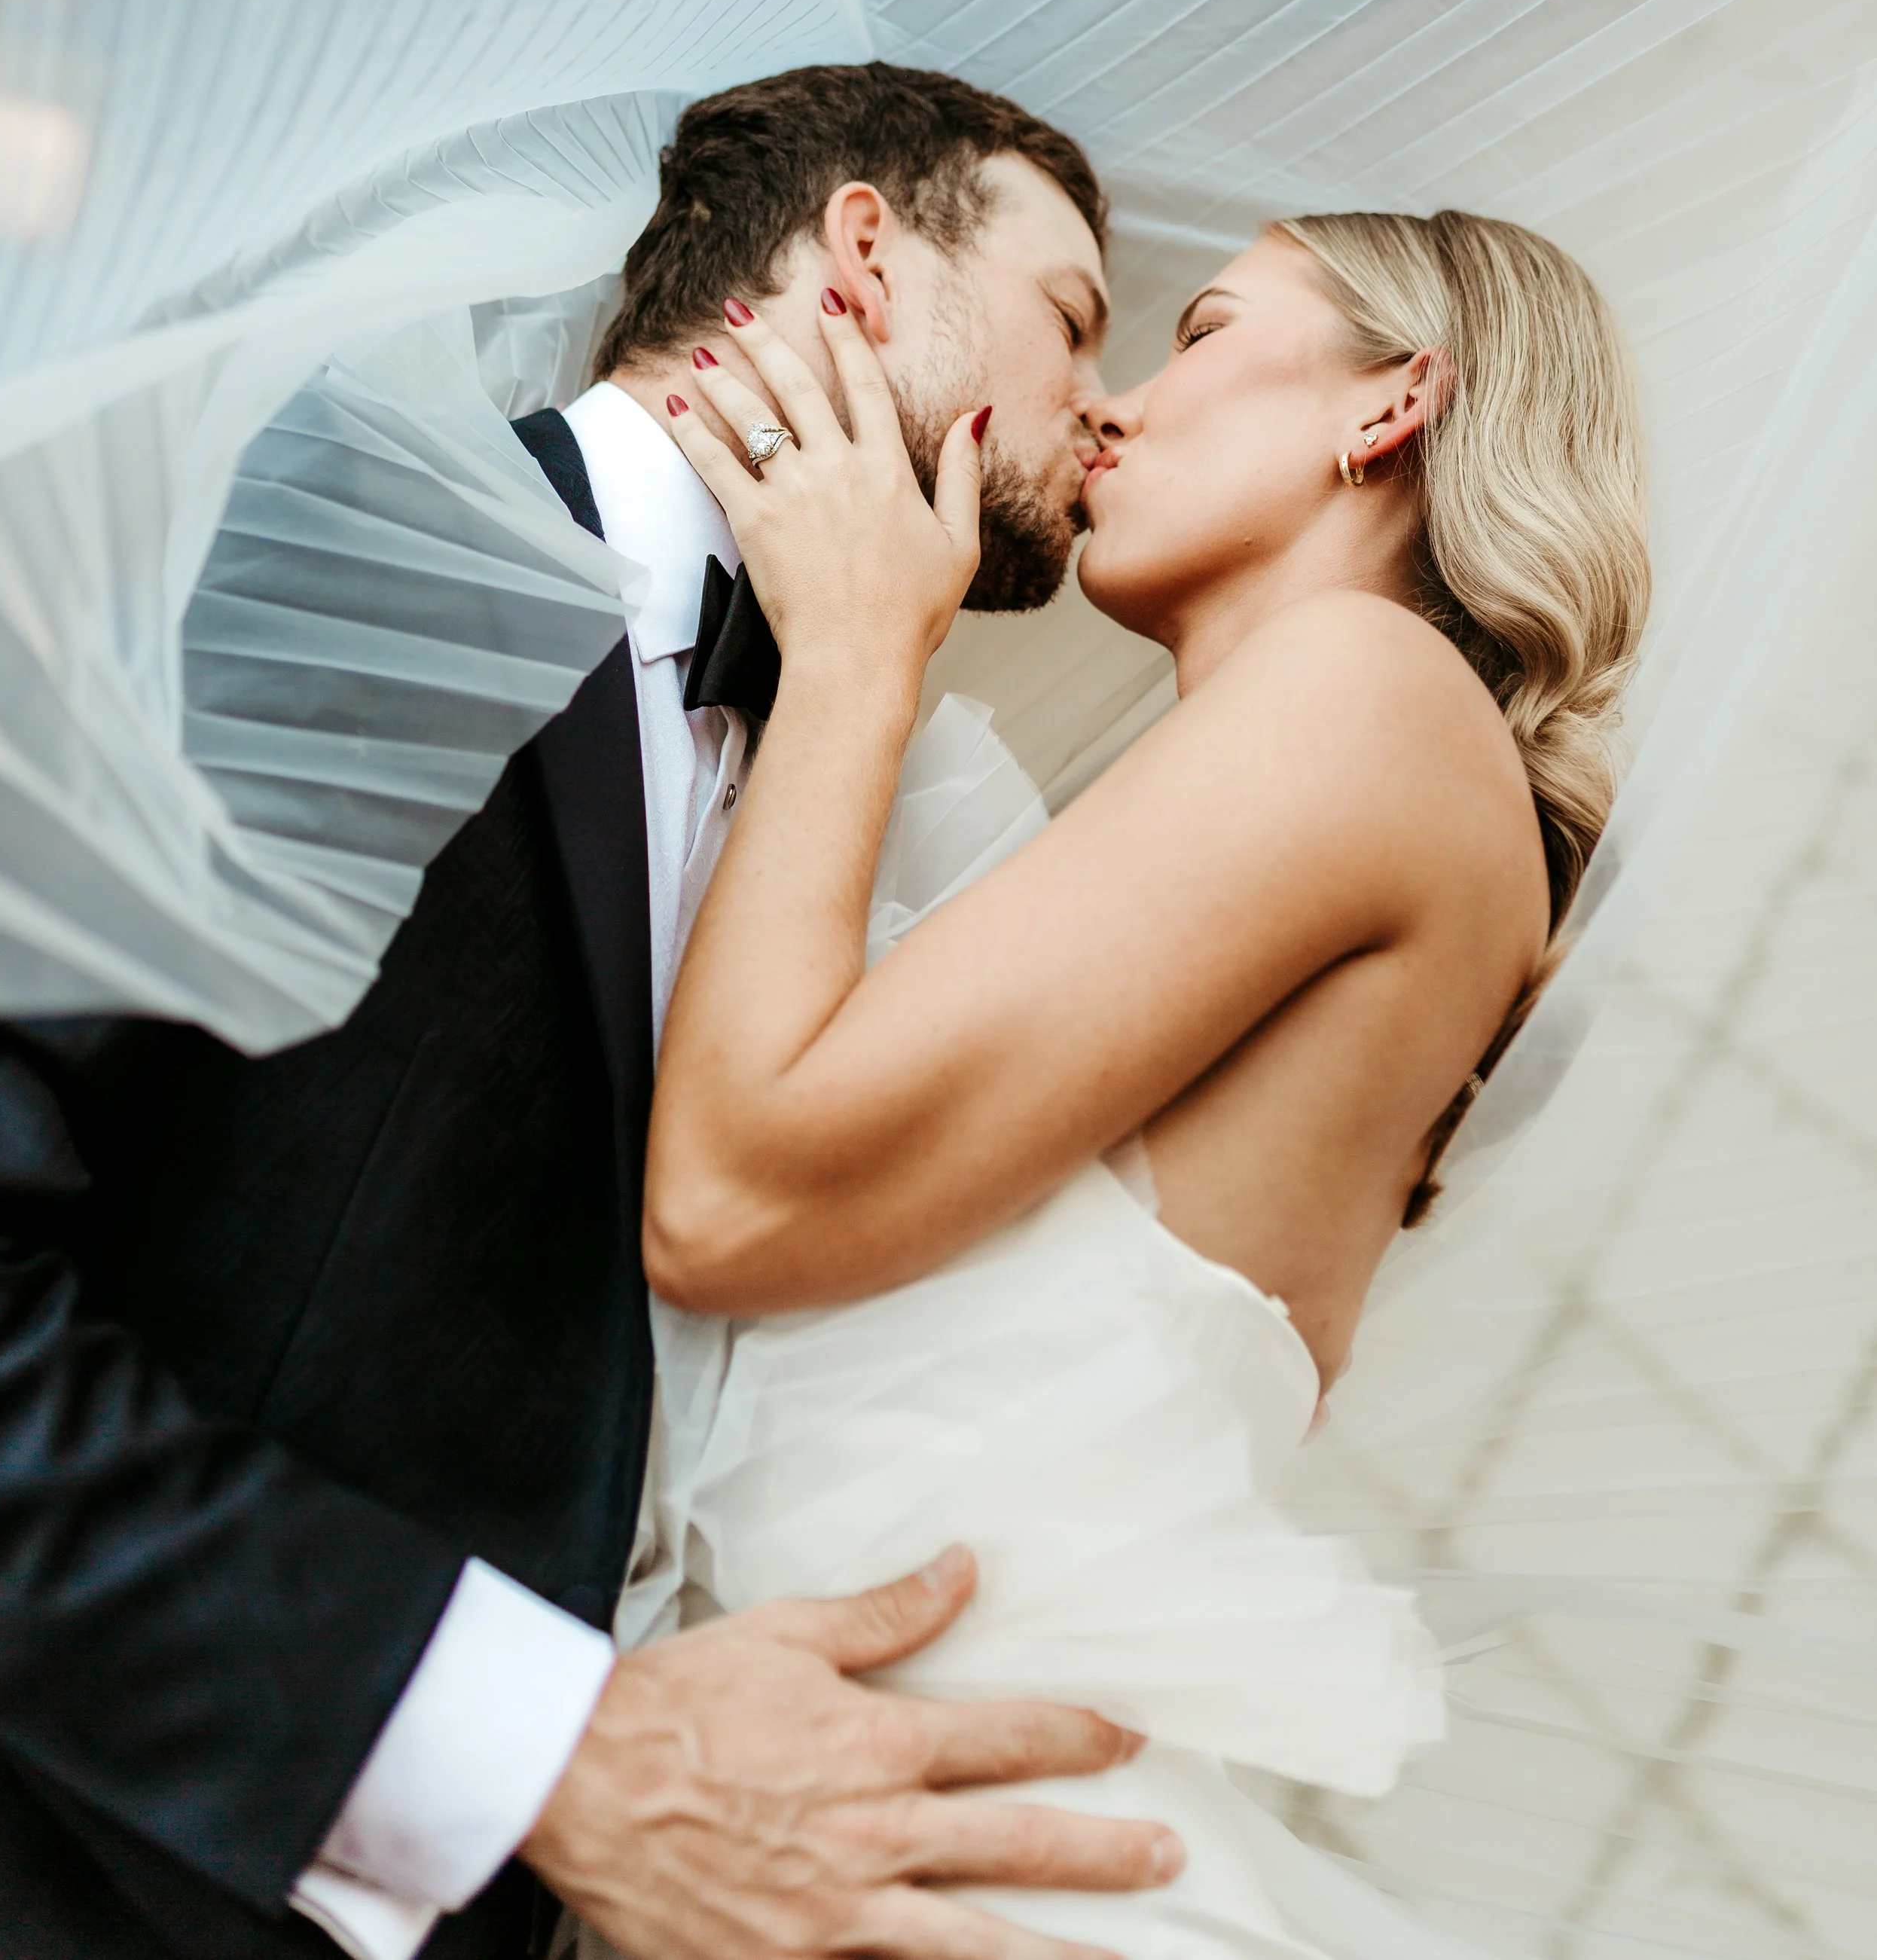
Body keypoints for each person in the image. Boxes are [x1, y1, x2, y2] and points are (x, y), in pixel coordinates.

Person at [0, 64, 1182, 1960]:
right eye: (1070, 317)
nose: (1102, 403)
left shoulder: (866, 796)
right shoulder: (330, 529)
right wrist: (542, 1759)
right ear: (864, 255)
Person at [634, 207, 1651, 1955]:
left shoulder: (1371, 690)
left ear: (1390, 403)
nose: (1109, 404)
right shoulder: (1369, 783)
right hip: (868, 1837)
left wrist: (858, 653)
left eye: (1198, 332)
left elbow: (731, 1200)